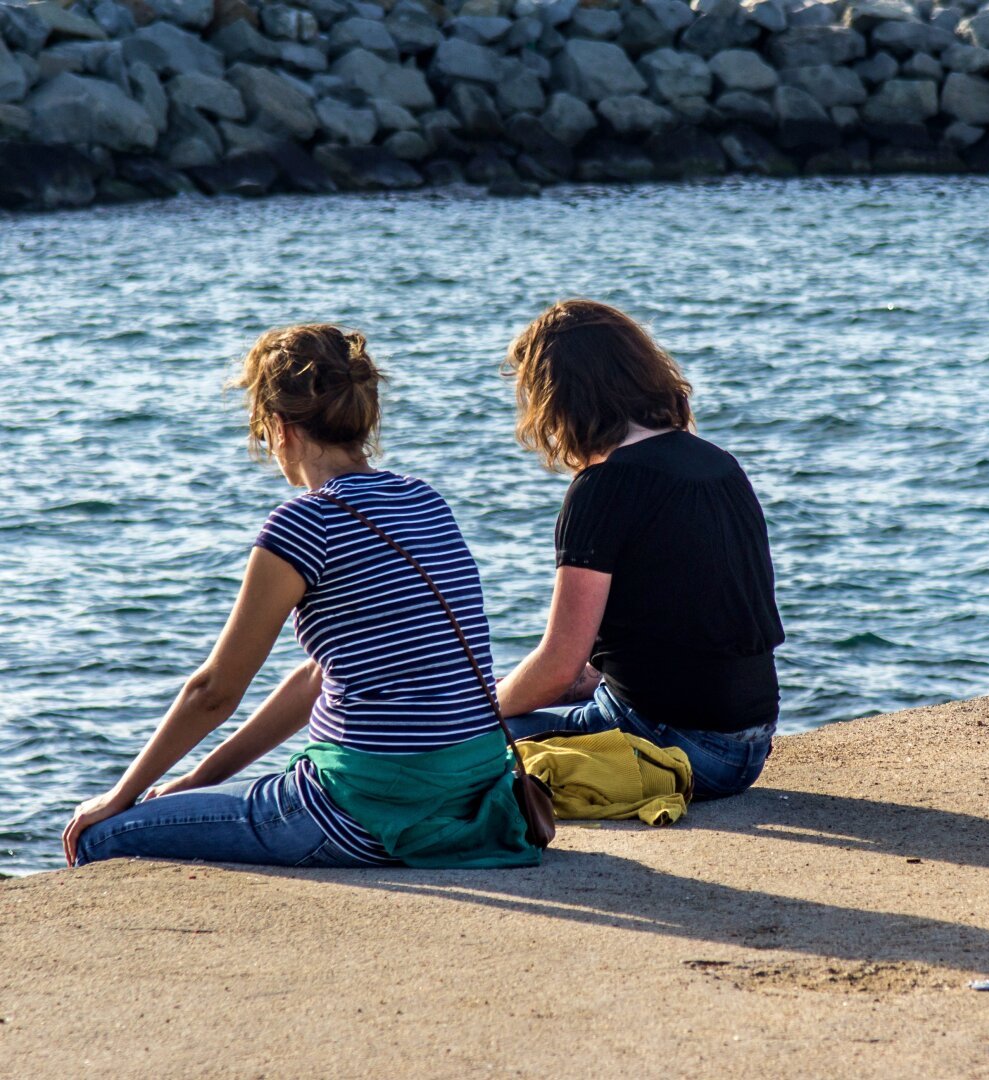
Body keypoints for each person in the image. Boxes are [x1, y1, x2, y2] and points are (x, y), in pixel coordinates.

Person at [63, 325, 538, 870]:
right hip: (468, 796)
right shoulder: (422, 499)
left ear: (278, 426)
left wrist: (118, 797)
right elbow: (317, 676)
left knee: (101, 839)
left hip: (364, 812)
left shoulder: (303, 525)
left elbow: (215, 691)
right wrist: (198, 780)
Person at [496, 300, 784, 798]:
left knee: (470, 744)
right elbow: (686, 635)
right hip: (752, 744)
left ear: (560, 399)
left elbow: (560, 664)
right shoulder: (717, 464)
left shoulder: (603, 487)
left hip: (677, 747)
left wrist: (480, 708)